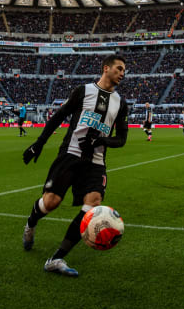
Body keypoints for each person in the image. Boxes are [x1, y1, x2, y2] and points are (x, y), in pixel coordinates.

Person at [21, 55, 128, 277]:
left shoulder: (121, 103)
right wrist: (39, 144)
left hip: (96, 163)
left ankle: (57, 258)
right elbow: (59, 116)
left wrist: (103, 140)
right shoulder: (84, 91)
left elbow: (121, 139)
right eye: (119, 68)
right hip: (70, 155)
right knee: (51, 202)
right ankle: (31, 224)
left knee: (93, 203)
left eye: (124, 70)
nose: (122, 73)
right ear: (106, 68)